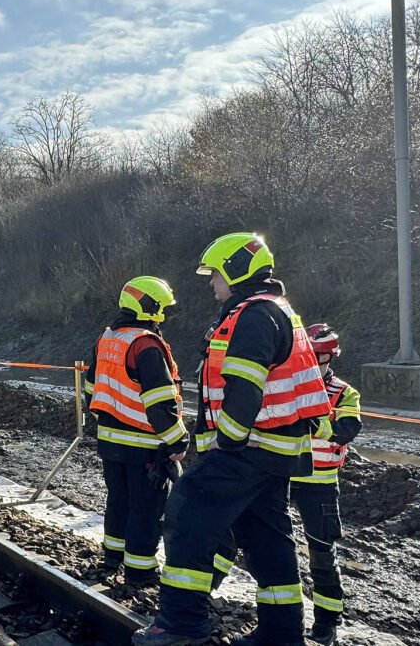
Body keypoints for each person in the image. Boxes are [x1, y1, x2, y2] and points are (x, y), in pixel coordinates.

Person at [134, 233, 331, 646]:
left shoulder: (255, 315)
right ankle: (282, 635)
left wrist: (229, 438)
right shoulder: (272, 310)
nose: (211, 283)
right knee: (265, 537)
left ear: (238, 270)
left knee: (188, 512)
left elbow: (245, 385)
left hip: (251, 446)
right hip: (275, 448)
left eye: (216, 273)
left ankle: (182, 623)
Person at [84, 277, 188, 586]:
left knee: (118, 500)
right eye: (161, 310)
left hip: (110, 441)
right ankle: (140, 573)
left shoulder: (107, 339)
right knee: (146, 508)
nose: (163, 316)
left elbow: (92, 389)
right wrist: (176, 439)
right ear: (150, 308)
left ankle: (112, 557)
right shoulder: (145, 344)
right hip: (144, 444)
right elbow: (159, 401)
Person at [291, 323, 362, 646]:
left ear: (328, 357)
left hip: (319, 483)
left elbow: (346, 429)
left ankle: (327, 622)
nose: (309, 363)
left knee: (321, 552)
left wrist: (312, 420)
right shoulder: (288, 383)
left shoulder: (344, 393)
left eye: (316, 357)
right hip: (281, 476)